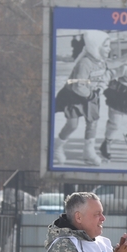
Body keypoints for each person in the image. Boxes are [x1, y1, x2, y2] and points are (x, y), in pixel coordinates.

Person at [53, 30, 114, 166]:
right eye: (106, 46)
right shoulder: (85, 63)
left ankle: (89, 152)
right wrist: (91, 94)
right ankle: (57, 147)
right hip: (74, 96)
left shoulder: (101, 61)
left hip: (90, 94)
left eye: (109, 45)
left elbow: (104, 76)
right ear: (95, 46)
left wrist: (102, 86)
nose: (109, 49)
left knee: (92, 122)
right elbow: (78, 86)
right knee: (72, 125)